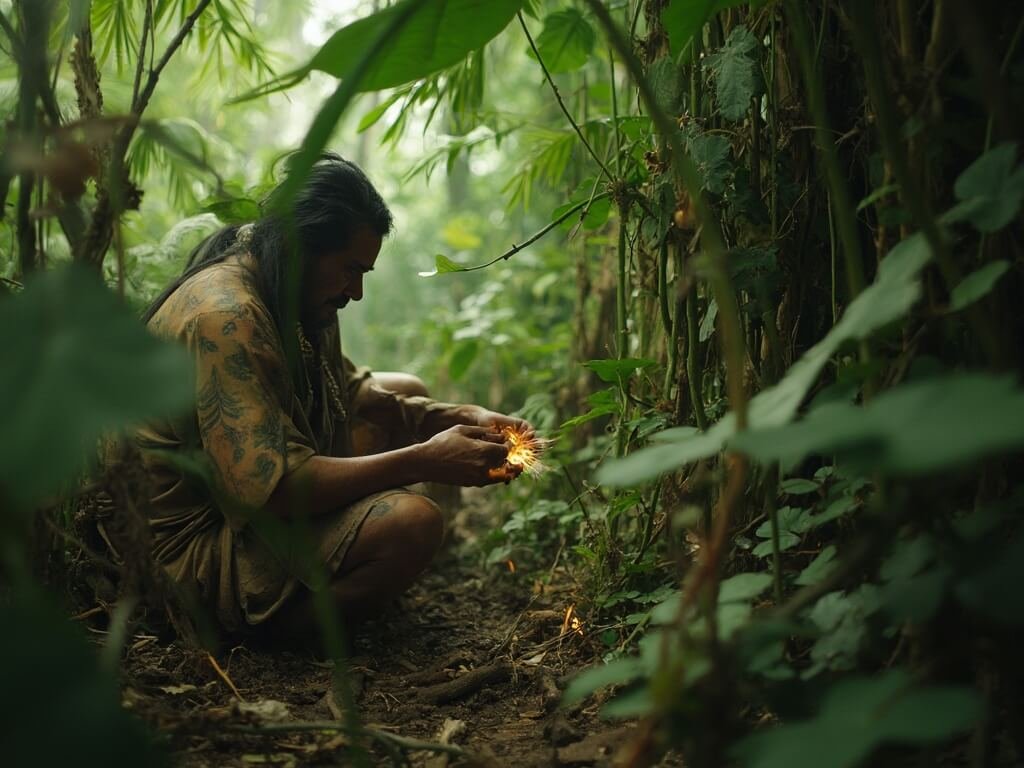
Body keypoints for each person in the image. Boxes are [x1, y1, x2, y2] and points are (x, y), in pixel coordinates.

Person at [131, 153, 530, 641]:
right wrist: (424, 460)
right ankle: (273, 633)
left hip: (243, 506)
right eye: (349, 270)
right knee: (413, 523)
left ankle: (345, 580)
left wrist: (457, 415)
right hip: (185, 551)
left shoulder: (288, 285)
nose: (356, 291)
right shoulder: (227, 317)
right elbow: (274, 490)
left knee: (407, 393)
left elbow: (348, 389)